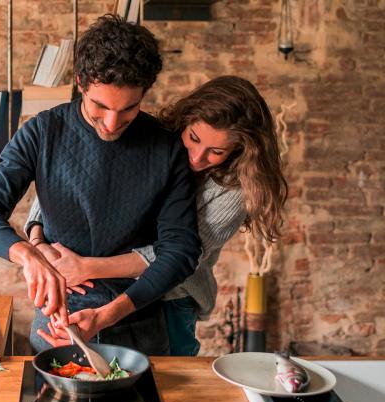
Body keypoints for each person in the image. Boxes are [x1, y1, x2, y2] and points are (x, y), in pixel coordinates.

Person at [0, 14, 202, 356]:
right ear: (81, 82)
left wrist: (107, 315)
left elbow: (180, 250)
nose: (112, 123)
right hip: (58, 322)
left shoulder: (166, 148)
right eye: (99, 106)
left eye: (129, 109)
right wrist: (29, 255)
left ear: (145, 93)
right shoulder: (43, 132)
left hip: (139, 321)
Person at [29, 76, 288, 355]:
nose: (197, 157)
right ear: (185, 121)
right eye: (194, 138)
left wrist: (87, 267)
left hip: (171, 300)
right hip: (93, 285)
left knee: (163, 387)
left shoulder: (235, 191)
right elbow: (62, 185)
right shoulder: (152, 141)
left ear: (240, 151)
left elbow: (176, 255)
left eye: (216, 152)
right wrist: (38, 242)